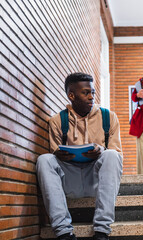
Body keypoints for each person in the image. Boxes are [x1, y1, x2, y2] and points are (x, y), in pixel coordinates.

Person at [36, 73, 123, 240]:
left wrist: (101, 151)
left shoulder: (109, 117)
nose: (91, 97)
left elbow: (117, 155)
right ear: (71, 95)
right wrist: (59, 155)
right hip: (69, 181)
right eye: (85, 92)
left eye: (93, 92)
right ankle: (64, 233)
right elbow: (54, 152)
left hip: (96, 181)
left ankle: (102, 231)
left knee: (111, 154)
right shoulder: (57, 121)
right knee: (44, 159)